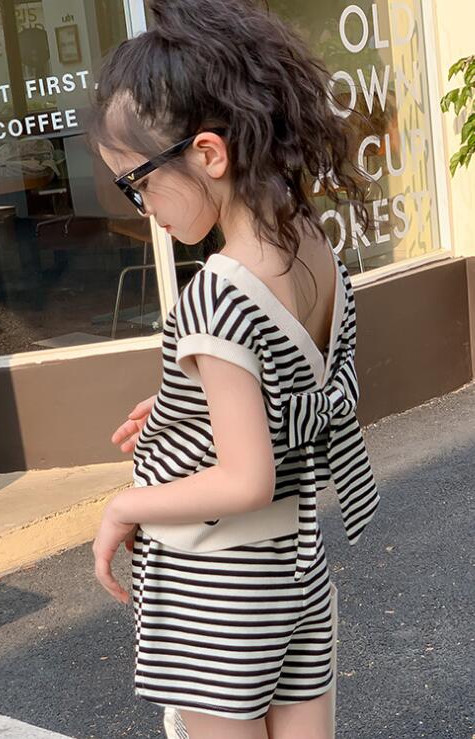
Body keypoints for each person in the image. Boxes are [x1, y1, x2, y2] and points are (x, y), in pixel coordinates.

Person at [88, 1, 380, 737]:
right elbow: (282, 382)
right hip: (294, 566)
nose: (142, 207)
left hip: (216, 583)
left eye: (138, 182)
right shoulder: (310, 244)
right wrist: (185, 406)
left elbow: (246, 479)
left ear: (209, 154)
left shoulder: (214, 293)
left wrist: (125, 507)